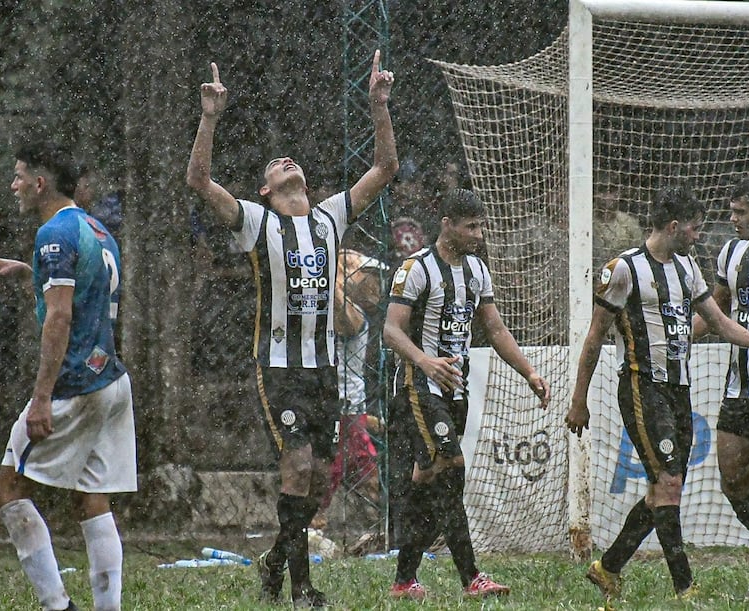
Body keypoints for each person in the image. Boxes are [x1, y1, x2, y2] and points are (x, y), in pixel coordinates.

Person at [186, 50, 398, 607]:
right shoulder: (257, 222)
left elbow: (384, 170)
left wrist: (379, 107)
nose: (285, 162)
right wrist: (210, 117)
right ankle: (302, 587)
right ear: (264, 191)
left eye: (291, 162)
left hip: (324, 365)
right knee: (298, 465)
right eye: (275, 167)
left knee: (318, 473)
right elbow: (199, 180)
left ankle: (277, 560)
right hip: (279, 366)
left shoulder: (329, 215)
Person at [565, 182, 749, 606]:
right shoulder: (624, 269)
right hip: (640, 386)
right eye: (693, 229)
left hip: (679, 390)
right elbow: (594, 337)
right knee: (668, 485)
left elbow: (720, 323)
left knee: (662, 490)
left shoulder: (687, 269)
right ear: (673, 226)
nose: (698, 235)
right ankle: (685, 587)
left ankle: (608, 567)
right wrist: (580, 399)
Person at [0, 141, 134, 611]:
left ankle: (57, 607)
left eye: (19, 175)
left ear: (40, 183)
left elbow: (61, 317)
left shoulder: (53, 233)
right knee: (93, 500)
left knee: (7, 489)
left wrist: (42, 397)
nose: (14, 185)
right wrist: (30, 273)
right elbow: (84, 288)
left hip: (74, 388)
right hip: (111, 381)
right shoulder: (95, 227)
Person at [383, 188, 551, 600]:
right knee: (451, 465)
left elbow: (494, 329)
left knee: (430, 480)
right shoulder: (417, 268)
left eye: (481, 226)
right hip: (418, 387)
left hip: (454, 391)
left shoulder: (476, 270)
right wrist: (425, 361)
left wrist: (528, 371)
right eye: (470, 226)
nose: (478, 234)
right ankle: (472, 578)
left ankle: (405, 580)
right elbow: (390, 330)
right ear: (447, 225)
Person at [692, 178, 749, 601]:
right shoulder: (731, 252)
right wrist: (674, 337)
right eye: (731, 212)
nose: (732, 221)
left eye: (741, 213)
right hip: (741, 387)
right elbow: (717, 311)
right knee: (732, 480)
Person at [311, 249, 386, 529]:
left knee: (363, 470)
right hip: (336, 407)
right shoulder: (332, 309)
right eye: (371, 277)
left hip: (351, 409)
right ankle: (312, 523)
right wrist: (334, 276)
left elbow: (346, 321)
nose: (377, 286)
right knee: (332, 470)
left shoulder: (358, 318)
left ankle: (378, 525)